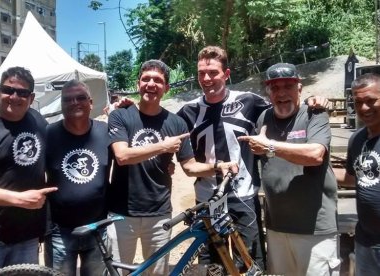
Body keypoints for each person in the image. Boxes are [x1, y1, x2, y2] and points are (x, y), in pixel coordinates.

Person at [177, 46, 329, 272]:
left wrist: (313, 100)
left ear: (226, 74)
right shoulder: (188, 112)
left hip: (243, 196)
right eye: (201, 73)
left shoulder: (250, 101)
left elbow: (285, 106)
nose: (207, 78)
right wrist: (123, 107)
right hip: (207, 198)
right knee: (209, 265)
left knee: (249, 262)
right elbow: (160, 127)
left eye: (213, 73)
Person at [107, 59, 237, 276]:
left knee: (157, 273)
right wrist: (163, 146)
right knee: (119, 273)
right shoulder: (120, 115)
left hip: (159, 215)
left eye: (158, 80)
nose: (151, 84)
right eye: (146, 79)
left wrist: (218, 166)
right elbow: (122, 156)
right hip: (121, 214)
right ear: (138, 83)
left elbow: (190, 167)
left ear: (166, 88)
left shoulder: (176, 123)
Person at [239, 63, 339, 276]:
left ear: (300, 88)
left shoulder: (314, 114)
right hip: (276, 228)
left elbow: (315, 155)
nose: (281, 93)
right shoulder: (263, 119)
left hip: (314, 229)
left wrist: (270, 147)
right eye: (274, 87)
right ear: (268, 92)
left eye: (288, 86)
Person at [0, 66, 57, 275]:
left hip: (27, 236)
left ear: (31, 97)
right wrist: (20, 199)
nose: (14, 97)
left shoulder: (37, 121)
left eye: (22, 92)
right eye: (8, 90)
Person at [43, 79, 111, 276]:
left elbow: (129, 156)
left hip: (98, 228)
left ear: (91, 103)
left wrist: (166, 162)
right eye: (68, 99)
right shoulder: (48, 134)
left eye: (80, 98)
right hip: (59, 231)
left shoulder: (106, 132)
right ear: (61, 104)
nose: (74, 103)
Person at [334, 73, 380, 276]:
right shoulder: (358, 139)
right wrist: (316, 168)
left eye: (371, 101)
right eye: (358, 102)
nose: (364, 108)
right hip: (366, 240)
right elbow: (355, 178)